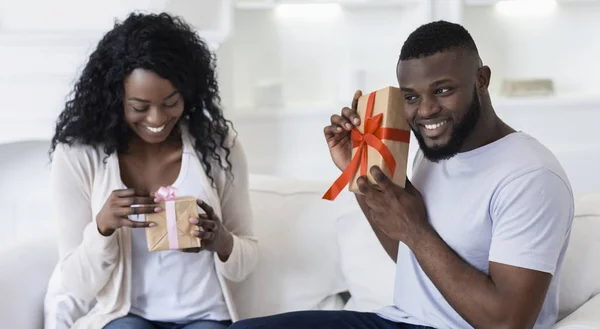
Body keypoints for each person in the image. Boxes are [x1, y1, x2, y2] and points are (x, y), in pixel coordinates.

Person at [229, 20, 573, 329]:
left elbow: (507, 323)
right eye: (411, 96)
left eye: (442, 90)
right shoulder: (437, 150)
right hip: (401, 319)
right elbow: (411, 256)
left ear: (481, 80)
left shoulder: (530, 177)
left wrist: (416, 229)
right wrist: (357, 167)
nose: (425, 111)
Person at [43, 12, 258, 329]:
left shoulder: (217, 146)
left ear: (187, 91)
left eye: (171, 102)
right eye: (140, 107)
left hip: (206, 316)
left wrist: (221, 240)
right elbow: (76, 283)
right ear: (116, 99)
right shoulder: (78, 155)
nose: (157, 119)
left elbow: (247, 257)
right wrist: (102, 227)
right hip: (127, 316)